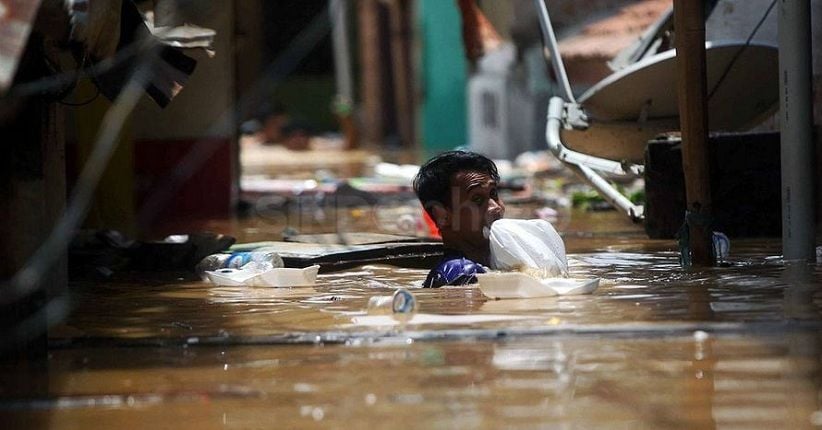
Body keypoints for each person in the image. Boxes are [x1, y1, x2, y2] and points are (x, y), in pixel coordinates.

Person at [413, 150, 505, 288]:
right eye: (477, 199)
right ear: (442, 216)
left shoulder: (501, 259)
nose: (495, 207)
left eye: (493, 193)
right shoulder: (461, 273)